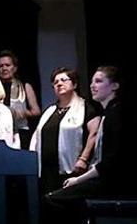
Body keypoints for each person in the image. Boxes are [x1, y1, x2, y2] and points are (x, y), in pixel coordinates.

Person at [44, 66, 129, 224]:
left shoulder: (115, 114)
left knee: (54, 200)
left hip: (111, 181)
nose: (93, 85)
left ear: (115, 86)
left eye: (99, 81)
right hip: (101, 176)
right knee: (56, 198)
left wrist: (78, 178)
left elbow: (108, 163)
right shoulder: (108, 113)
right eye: (92, 81)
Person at [30, 67, 101, 195]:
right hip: (46, 171)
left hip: (72, 170)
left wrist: (83, 159)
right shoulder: (50, 110)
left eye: (63, 80)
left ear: (74, 84)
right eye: (55, 82)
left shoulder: (86, 108)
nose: (59, 84)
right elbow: (37, 135)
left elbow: (94, 133)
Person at [0, 50, 41, 149]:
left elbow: (37, 111)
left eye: (7, 65)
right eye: (1, 66)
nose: (4, 68)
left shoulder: (25, 86)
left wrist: (23, 113)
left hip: (21, 132)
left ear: (15, 68)